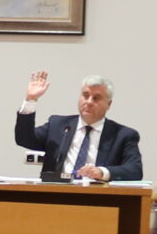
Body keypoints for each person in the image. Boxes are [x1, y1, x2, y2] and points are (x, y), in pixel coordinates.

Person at [13, 70, 142, 182]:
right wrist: (31, 99)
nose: (89, 102)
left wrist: (102, 172)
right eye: (85, 95)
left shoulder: (123, 135)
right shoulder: (57, 125)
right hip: (57, 194)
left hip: (98, 197)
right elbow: (23, 138)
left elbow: (135, 170)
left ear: (109, 104)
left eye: (96, 98)